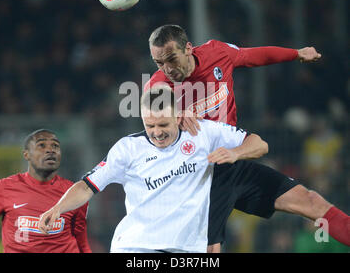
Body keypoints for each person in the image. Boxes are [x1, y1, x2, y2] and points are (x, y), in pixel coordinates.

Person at [145, 24, 350, 252]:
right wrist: (172, 114)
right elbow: (154, 106)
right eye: (159, 63)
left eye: (171, 58)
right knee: (210, 249)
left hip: (232, 165)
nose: (167, 68)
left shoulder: (217, 53)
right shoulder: (159, 85)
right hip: (197, 177)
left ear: (188, 49)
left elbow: (253, 56)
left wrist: (296, 53)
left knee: (311, 202)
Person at [38, 86, 268, 253]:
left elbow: (259, 144)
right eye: (150, 125)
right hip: (137, 247)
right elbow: (87, 186)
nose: (156, 132)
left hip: (188, 248)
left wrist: (235, 153)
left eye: (163, 124)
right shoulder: (128, 149)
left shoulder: (204, 133)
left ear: (178, 117)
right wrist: (58, 208)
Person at [0, 129, 91, 253]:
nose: (50, 150)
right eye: (41, 145)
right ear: (26, 155)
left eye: (55, 146)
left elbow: (81, 241)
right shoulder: (4, 187)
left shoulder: (74, 192)